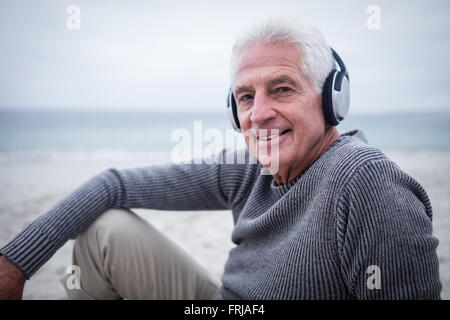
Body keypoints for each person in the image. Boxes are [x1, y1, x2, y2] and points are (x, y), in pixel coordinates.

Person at [0, 18, 442, 300]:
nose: (260, 112)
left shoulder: (365, 181)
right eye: (245, 97)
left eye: (282, 88)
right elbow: (114, 184)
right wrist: (16, 264)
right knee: (103, 230)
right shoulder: (249, 169)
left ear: (331, 99)